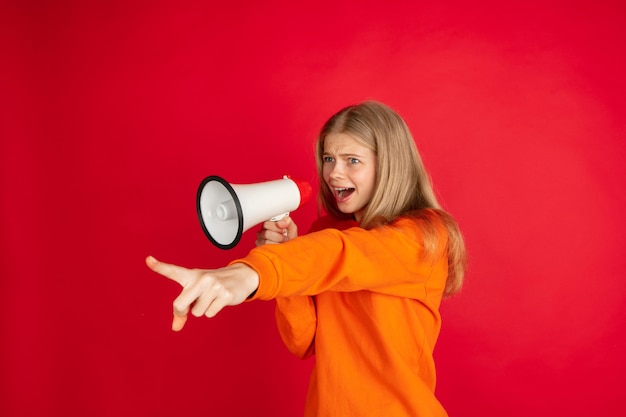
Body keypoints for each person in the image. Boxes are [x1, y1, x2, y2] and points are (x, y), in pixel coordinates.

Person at [146, 100, 467, 417]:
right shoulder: (325, 234)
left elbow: (344, 254)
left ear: (389, 166)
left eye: (352, 160)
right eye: (329, 158)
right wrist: (285, 253)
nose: (334, 173)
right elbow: (304, 341)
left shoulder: (423, 237)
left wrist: (251, 273)